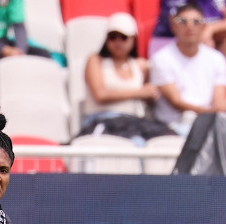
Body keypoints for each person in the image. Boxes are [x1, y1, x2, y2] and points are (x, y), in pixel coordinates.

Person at [79, 13, 173, 144]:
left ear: (133, 39)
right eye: (113, 37)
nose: (118, 42)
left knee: (166, 140)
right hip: (102, 120)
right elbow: (100, 94)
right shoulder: (95, 60)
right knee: (135, 143)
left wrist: (150, 95)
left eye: (123, 38)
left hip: (134, 122)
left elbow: (151, 95)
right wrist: (139, 92)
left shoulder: (140, 66)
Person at [150, 2, 226, 136]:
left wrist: (214, 115)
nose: (189, 26)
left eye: (196, 21)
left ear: (203, 27)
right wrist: (211, 113)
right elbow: (176, 102)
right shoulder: (161, 58)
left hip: (210, 125)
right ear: (173, 26)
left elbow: (219, 102)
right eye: (183, 21)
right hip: (173, 126)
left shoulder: (217, 59)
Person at [152, 0, 226, 56]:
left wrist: (211, 28)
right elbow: (181, 24)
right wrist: (206, 31)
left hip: (205, 39)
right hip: (167, 41)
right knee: (202, 41)